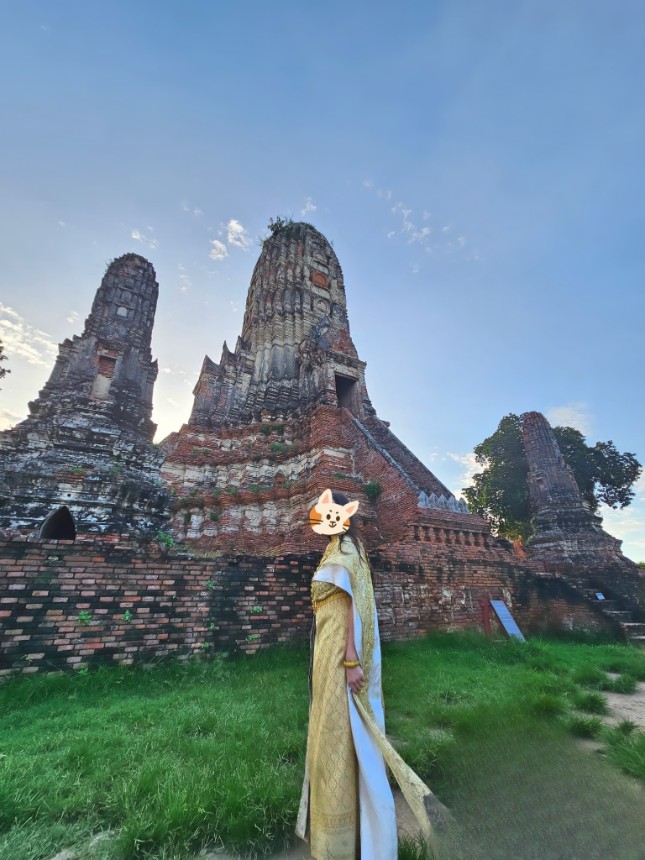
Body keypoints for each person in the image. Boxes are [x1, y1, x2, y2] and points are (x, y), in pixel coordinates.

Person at [296, 489, 436, 859]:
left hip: (339, 656)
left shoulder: (347, 551)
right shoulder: (336, 549)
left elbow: (353, 608)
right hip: (325, 653)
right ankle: (340, 834)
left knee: (343, 732)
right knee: (330, 731)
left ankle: (352, 839)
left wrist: (351, 661)